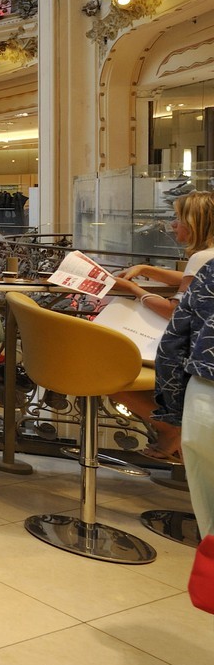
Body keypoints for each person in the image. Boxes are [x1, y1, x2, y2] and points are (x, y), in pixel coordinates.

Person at [106, 190, 214, 461]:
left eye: (178, 218)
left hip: (191, 359)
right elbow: (191, 278)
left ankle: (170, 427)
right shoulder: (207, 258)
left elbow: (174, 311)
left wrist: (133, 289)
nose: (173, 225)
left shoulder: (202, 258)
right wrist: (146, 270)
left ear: (195, 223)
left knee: (108, 374)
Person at [156, 259, 214, 535]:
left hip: (204, 394)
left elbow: (172, 344)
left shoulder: (211, 267)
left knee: (210, 529)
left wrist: (175, 416)